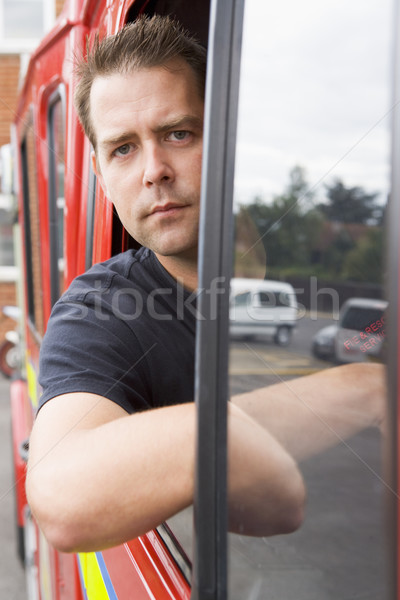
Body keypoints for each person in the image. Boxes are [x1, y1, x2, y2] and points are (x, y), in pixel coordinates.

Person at [26, 15, 385, 553]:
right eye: (124, 148)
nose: (155, 170)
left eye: (178, 133)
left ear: (225, 143)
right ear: (100, 176)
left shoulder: (318, 264)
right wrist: (363, 390)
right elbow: (62, 497)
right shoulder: (105, 309)